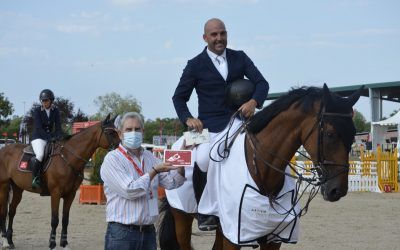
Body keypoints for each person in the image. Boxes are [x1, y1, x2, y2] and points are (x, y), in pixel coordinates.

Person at [172, 18, 269, 231]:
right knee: (204, 158)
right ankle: (204, 212)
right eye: (214, 35)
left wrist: (254, 101)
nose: (219, 38)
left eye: (222, 33)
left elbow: (262, 83)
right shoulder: (195, 65)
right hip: (207, 126)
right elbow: (178, 98)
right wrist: (188, 118)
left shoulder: (240, 57)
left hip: (240, 121)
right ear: (205, 38)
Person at [100, 112, 186, 250]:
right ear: (120, 134)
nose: (133, 133)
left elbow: (172, 183)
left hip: (148, 233)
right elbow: (130, 191)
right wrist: (154, 171)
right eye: (128, 130)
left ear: (143, 131)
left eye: (137, 129)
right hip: (122, 234)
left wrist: (182, 162)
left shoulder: (150, 157)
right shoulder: (113, 159)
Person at [31, 89, 62, 188]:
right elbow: (39, 128)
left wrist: (58, 136)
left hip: (51, 137)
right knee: (40, 155)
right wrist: (49, 138)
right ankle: (35, 177)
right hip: (38, 137)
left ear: (51, 100)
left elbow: (58, 127)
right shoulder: (37, 111)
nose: (44, 102)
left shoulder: (55, 111)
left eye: (46, 100)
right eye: (43, 101)